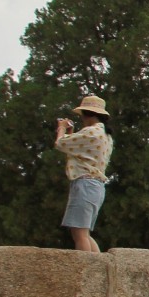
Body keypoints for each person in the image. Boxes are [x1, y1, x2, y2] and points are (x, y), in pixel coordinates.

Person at [53, 94, 114, 253]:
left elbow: (60, 144)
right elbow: (79, 148)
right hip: (96, 186)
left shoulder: (92, 132)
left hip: (85, 184)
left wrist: (61, 128)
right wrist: (71, 132)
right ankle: (98, 267)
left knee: (79, 234)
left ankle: (86, 270)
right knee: (84, 233)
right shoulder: (105, 135)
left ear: (87, 114)